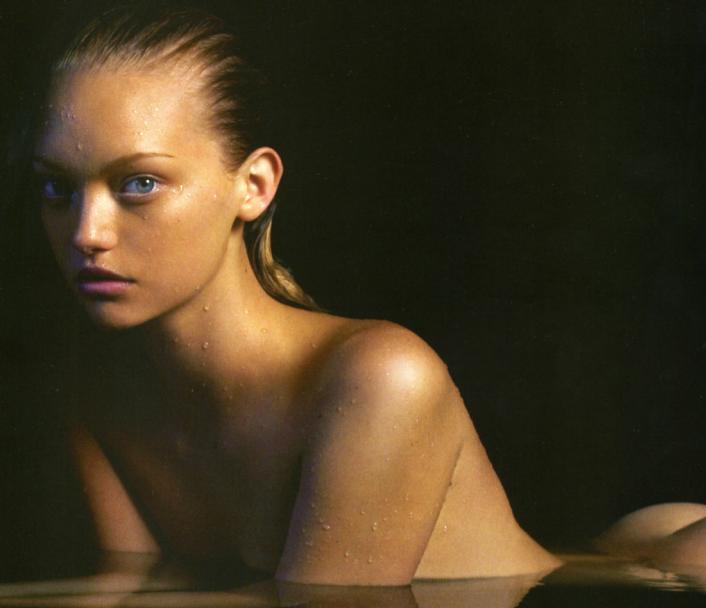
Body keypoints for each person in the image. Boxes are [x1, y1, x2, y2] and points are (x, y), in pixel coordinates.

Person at [19, 3, 560, 589]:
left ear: (254, 186)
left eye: (139, 183)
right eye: (57, 188)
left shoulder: (380, 378)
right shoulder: (102, 390)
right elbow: (133, 591)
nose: (86, 233)